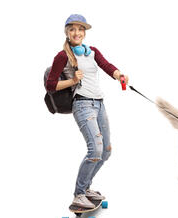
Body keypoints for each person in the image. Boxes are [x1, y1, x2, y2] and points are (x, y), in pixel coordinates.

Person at [46, 14, 128, 208]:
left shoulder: (91, 51)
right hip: (82, 104)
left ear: (85, 32)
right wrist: (73, 81)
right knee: (95, 149)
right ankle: (79, 194)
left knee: (106, 151)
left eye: (80, 29)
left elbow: (106, 65)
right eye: (72, 29)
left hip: (99, 103)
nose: (77, 33)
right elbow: (51, 85)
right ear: (67, 32)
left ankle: (87, 188)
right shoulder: (63, 55)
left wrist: (119, 75)